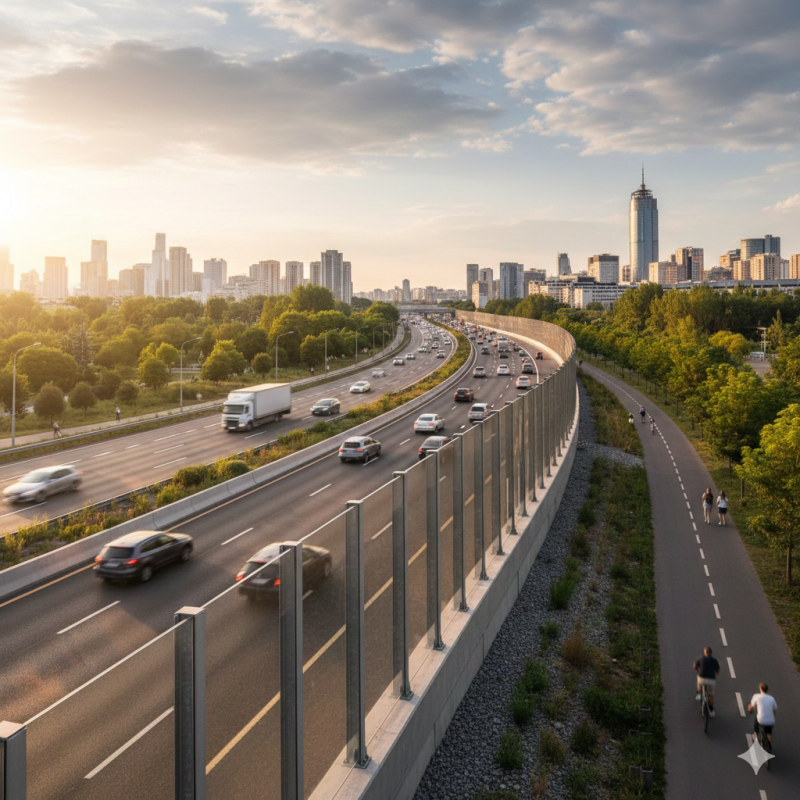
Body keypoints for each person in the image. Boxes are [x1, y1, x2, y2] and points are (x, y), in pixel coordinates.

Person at [693, 646, 720, 717]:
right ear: (711, 653)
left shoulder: (700, 658)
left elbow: (695, 666)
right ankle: (711, 710)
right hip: (711, 680)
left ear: (705, 652)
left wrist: (698, 670)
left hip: (702, 679)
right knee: (710, 694)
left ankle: (699, 694)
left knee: (698, 679)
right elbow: (717, 672)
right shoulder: (715, 660)